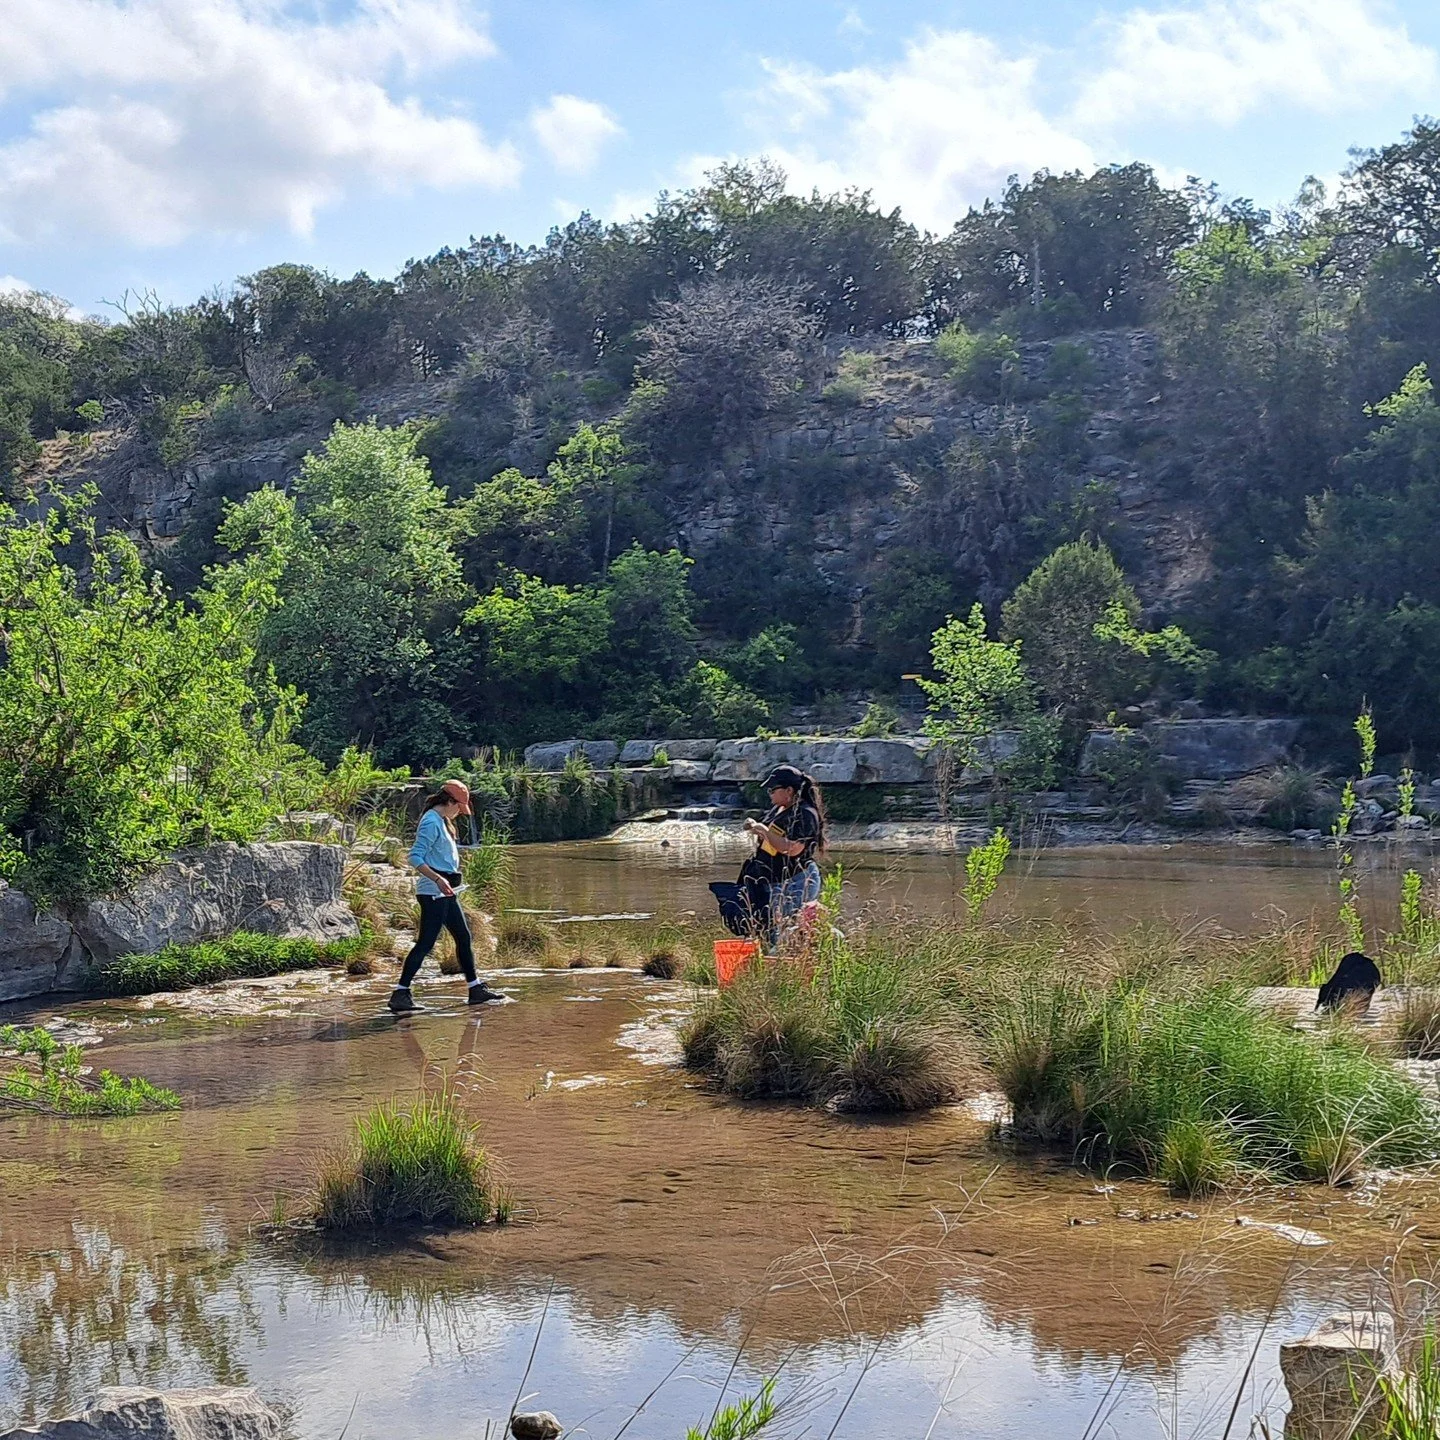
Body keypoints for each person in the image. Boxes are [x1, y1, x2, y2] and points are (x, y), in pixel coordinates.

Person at [388, 779, 503, 1013]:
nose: (460, 813)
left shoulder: (441, 821)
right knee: (426, 943)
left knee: (463, 936)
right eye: (458, 807)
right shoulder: (431, 822)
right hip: (434, 893)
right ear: (448, 801)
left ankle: (475, 988)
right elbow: (415, 858)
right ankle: (400, 992)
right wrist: (438, 880)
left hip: (446, 892)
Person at [742, 765, 826, 950]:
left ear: (789, 790)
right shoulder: (780, 808)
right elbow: (773, 836)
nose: (769, 794)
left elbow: (792, 848)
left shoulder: (804, 813)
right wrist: (756, 827)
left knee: (791, 930)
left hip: (796, 880)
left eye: (773, 789)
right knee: (772, 929)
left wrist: (763, 830)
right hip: (775, 881)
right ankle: (772, 964)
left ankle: (791, 968)